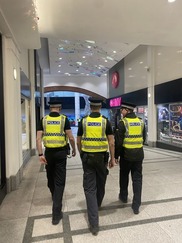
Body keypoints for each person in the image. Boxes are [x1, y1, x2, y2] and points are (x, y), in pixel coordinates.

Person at [77, 97, 115, 236]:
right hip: (101, 159)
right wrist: (112, 159)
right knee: (101, 183)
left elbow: (78, 141)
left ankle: (94, 224)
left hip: (88, 159)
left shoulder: (84, 121)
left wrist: (82, 155)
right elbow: (111, 142)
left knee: (89, 188)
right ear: (99, 107)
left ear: (91, 107)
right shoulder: (105, 121)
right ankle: (97, 204)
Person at [36, 99, 76, 225]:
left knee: (50, 178)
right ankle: (56, 213)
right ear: (60, 107)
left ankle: (55, 200)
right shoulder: (64, 119)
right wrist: (74, 149)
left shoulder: (44, 120)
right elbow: (70, 137)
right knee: (59, 181)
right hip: (60, 154)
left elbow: (38, 138)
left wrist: (40, 154)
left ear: (50, 107)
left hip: (48, 153)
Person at [115, 102, 145, 215]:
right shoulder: (141, 122)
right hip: (138, 155)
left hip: (126, 155)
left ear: (127, 110)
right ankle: (136, 205)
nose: (121, 111)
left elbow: (118, 142)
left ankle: (123, 196)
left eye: (122, 109)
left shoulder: (123, 123)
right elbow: (144, 138)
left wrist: (116, 156)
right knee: (137, 179)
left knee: (124, 176)